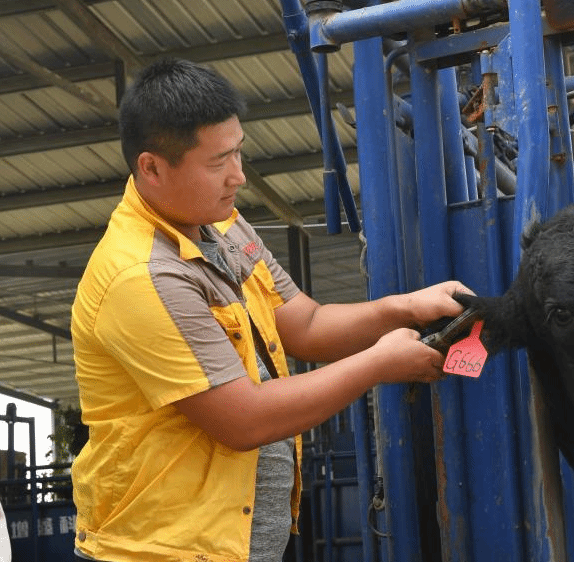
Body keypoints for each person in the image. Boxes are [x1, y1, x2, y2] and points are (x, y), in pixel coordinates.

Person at [70, 57, 470, 562]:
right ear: (151, 167)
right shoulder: (142, 275)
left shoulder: (224, 225)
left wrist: (404, 308)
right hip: (159, 551)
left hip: (228, 545)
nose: (238, 176)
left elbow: (305, 325)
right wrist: (378, 364)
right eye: (218, 163)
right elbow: (244, 421)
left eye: (238, 153)